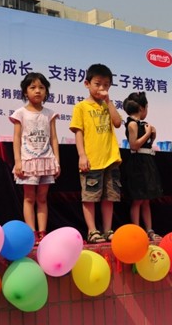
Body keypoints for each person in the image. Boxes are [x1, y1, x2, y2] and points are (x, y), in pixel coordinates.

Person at [69, 63, 123, 244]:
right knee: (90, 197)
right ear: (87, 84)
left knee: (110, 197)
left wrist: (109, 102)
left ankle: (107, 230)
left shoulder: (108, 105)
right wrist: (82, 155)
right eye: (97, 84)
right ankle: (92, 231)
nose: (102, 88)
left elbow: (117, 123)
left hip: (111, 159)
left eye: (106, 85)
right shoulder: (81, 107)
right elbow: (78, 132)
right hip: (92, 159)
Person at [10, 72, 60, 244]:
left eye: (41, 87)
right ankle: (31, 233)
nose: (37, 91)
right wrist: (18, 162)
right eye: (33, 87)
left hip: (47, 160)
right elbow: (16, 138)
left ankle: (42, 233)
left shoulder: (50, 114)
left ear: (46, 91)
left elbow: (54, 138)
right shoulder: (20, 113)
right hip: (28, 161)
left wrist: (57, 162)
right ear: (25, 91)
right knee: (29, 198)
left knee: (42, 198)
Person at [121, 92, 164, 242]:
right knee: (138, 199)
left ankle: (149, 230)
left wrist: (152, 135)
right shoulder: (132, 124)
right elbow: (134, 145)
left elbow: (146, 144)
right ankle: (137, 231)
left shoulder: (142, 124)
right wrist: (147, 133)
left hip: (147, 161)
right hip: (137, 163)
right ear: (141, 108)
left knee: (146, 200)